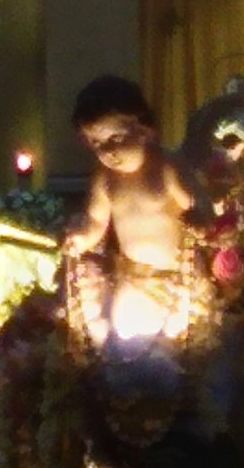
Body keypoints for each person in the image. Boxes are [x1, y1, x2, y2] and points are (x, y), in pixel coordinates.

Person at [65, 75, 202, 346]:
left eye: (115, 138)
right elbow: (95, 222)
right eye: (96, 143)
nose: (108, 151)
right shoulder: (105, 178)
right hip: (133, 280)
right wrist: (80, 239)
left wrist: (200, 218)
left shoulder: (165, 168)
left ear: (143, 129)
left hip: (177, 279)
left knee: (178, 346)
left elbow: (196, 203)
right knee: (126, 346)